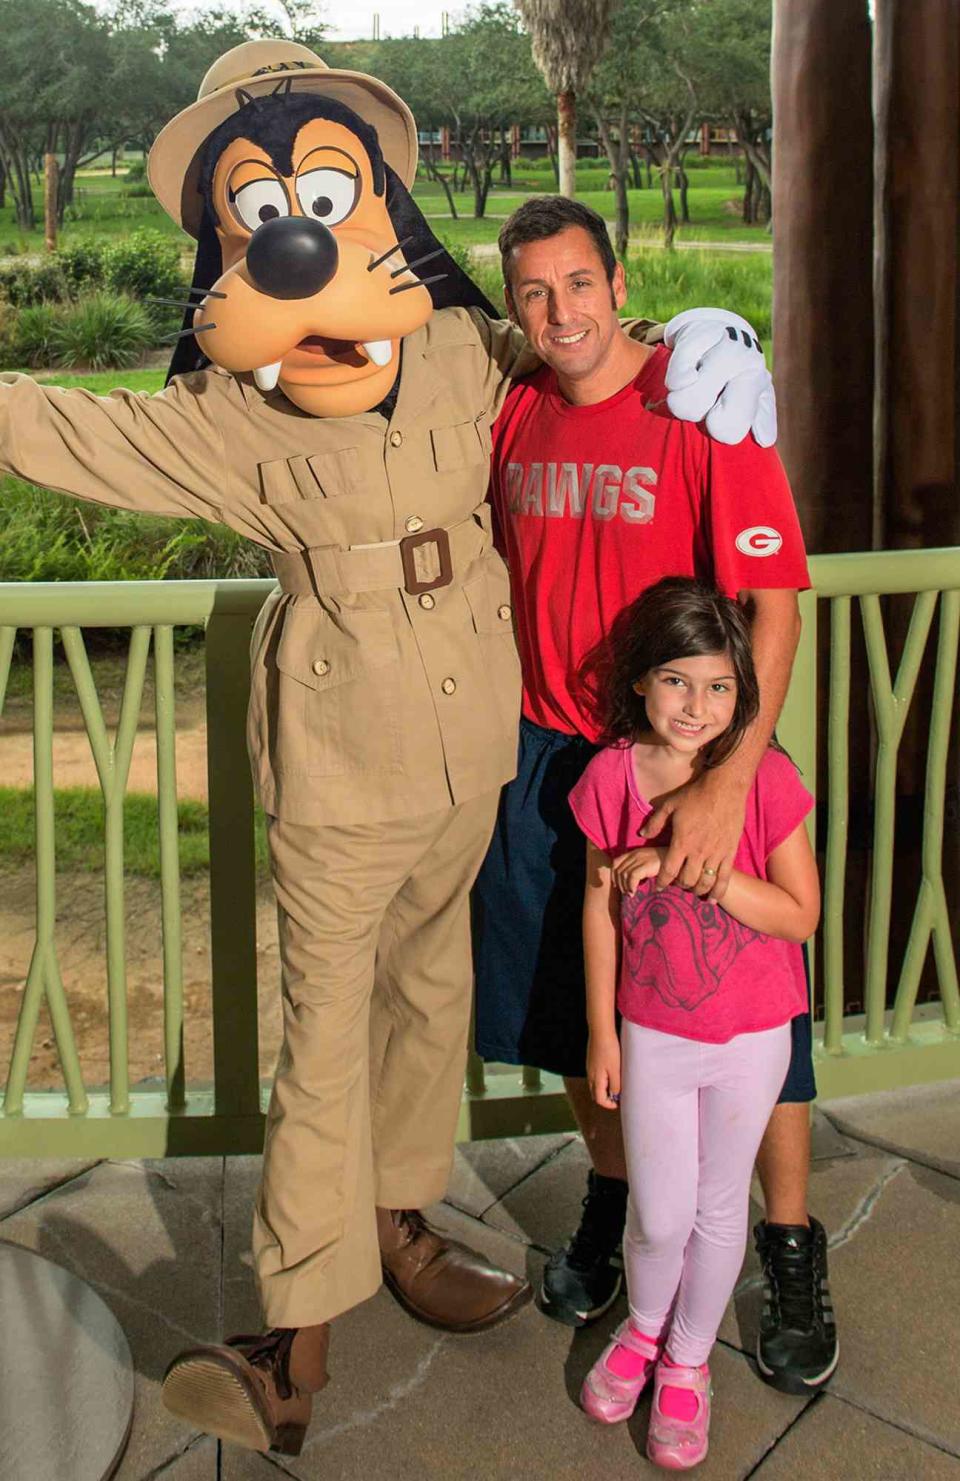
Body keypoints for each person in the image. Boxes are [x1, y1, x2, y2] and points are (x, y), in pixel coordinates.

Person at [0, 42, 773, 1456]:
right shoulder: (224, 417)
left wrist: (705, 336)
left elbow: (583, 349)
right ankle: (294, 1345)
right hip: (341, 760)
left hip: (472, 744)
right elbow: (61, 429)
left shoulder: (458, 347)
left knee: (428, 1001)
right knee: (323, 1047)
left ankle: (400, 1227)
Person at [473, 195, 839, 1396]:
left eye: (578, 284)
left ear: (616, 278)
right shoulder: (512, 406)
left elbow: (778, 602)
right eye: (533, 290)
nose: (558, 312)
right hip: (553, 758)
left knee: (748, 1017)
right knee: (586, 1017)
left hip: (686, 758)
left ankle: (787, 1244)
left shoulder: (697, 403)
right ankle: (622, 1197)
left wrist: (730, 776)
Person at [570, 577, 822, 1468]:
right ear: (640, 681)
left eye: (719, 687)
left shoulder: (765, 779)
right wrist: (602, 1031)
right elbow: (599, 906)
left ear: (743, 695)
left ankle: (685, 1363)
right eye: (677, 680)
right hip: (655, 1037)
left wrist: (703, 871)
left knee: (719, 1208)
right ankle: (640, 1329)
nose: (696, 705)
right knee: (661, 1208)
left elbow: (801, 915)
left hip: (754, 1038)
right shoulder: (609, 777)